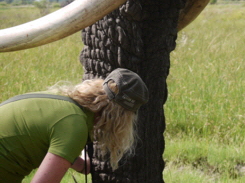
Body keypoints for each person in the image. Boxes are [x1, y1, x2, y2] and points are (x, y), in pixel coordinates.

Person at [0, 68, 148, 183]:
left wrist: (81, 161)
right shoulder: (75, 126)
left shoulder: (60, 101)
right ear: (120, 117)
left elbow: (36, 140)